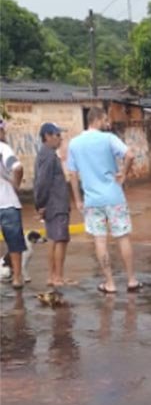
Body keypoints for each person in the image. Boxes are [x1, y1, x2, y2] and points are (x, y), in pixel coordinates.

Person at [66, 107, 141, 294]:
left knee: (100, 241)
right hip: (114, 197)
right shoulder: (108, 138)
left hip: (92, 200)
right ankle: (131, 280)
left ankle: (110, 283)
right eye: (105, 120)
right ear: (97, 119)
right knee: (122, 238)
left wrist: (77, 200)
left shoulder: (74, 144)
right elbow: (129, 155)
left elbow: (72, 174)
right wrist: (123, 173)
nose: (107, 123)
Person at [34, 122, 71, 286]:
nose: (60, 138)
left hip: (52, 204)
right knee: (60, 240)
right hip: (56, 204)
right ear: (47, 136)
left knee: (53, 239)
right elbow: (42, 182)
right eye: (57, 135)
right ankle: (57, 277)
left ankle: (53, 276)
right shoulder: (48, 155)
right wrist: (40, 204)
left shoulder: (46, 154)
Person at [0, 117, 27, 290]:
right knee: (14, 244)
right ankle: (17, 278)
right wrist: (16, 184)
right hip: (7, 202)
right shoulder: (3, 148)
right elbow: (17, 167)